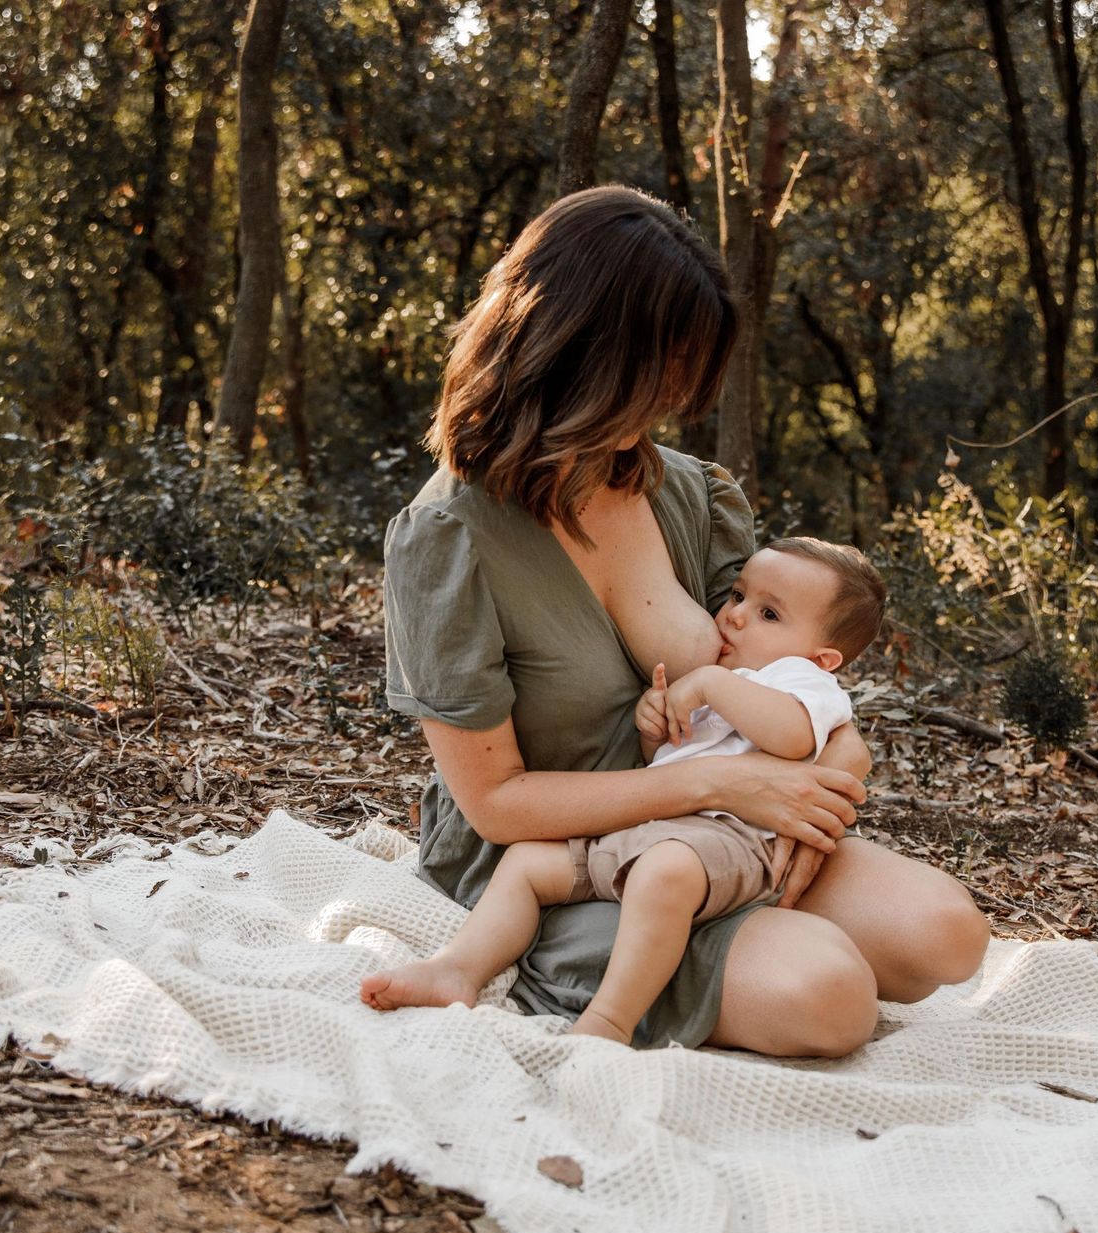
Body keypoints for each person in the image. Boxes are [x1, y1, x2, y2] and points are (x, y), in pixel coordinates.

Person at [380, 184, 988, 1057]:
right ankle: (642, 970)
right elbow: (498, 805)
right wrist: (714, 786)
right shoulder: (448, 540)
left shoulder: (691, 493)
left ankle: (751, 941)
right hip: (553, 857)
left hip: (724, 831)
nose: (677, 396)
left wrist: (826, 792)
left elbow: (789, 675)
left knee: (946, 933)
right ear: (583, 350)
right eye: (664, 366)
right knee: (828, 1000)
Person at [362, 537, 887, 1044]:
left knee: (664, 873)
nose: (734, 615)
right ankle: (458, 968)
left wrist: (707, 684)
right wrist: (654, 727)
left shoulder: (801, 682)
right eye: (738, 595)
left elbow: (793, 736)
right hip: (654, 825)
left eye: (769, 614)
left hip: (730, 841)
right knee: (525, 863)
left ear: (823, 659)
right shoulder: (737, 675)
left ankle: (612, 1018)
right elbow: (668, 763)